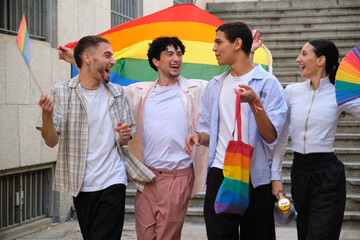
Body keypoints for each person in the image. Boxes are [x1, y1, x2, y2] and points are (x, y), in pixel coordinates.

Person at [185, 22, 288, 240]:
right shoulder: (214, 85)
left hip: (255, 176)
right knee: (219, 235)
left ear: (238, 44)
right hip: (220, 173)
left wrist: (255, 102)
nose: (214, 48)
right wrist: (198, 137)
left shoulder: (269, 84)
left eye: (219, 42)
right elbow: (210, 131)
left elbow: (270, 136)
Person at [37, 35, 136, 240]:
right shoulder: (61, 92)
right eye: (107, 55)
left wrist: (124, 136)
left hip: (113, 180)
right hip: (81, 184)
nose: (113, 61)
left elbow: (125, 139)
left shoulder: (117, 93)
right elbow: (51, 141)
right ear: (88, 58)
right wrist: (47, 116)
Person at [272, 39, 360, 240]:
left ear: (321, 60)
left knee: (320, 235)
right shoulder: (292, 92)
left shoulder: (339, 93)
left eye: (304, 54)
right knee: (305, 233)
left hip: (328, 174)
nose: (298, 59)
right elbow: (282, 137)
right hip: (300, 173)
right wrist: (275, 176)